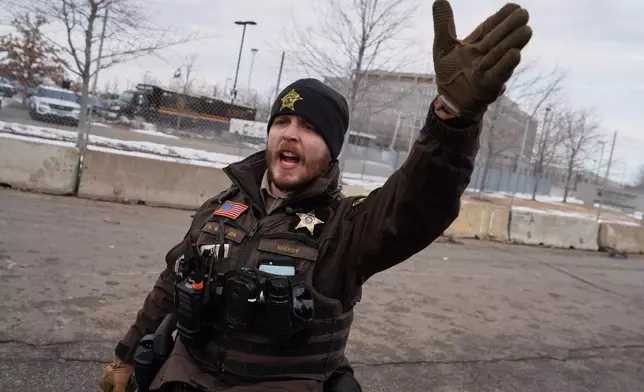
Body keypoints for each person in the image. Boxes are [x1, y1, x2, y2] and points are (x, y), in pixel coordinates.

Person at [99, 1, 532, 391]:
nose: (291, 133)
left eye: (309, 127)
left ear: (331, 150)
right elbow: (171, 283)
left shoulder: (347, 227)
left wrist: (451, 119)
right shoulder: (221, 208)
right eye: (282, 121)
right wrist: (125, 354)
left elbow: (419, 202)